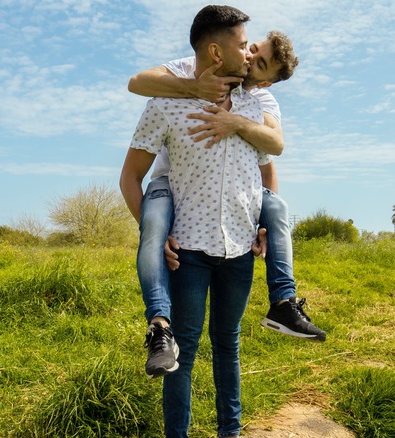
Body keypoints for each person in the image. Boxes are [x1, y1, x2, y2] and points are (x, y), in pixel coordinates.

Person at [127, 24, 326, 378]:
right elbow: (137, 83)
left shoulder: (258, 103)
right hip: (171, 185)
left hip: (230, 231)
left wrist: (233, 123)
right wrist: (194, 87)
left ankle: (283, 302)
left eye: (260, 61)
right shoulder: (190, 69)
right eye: (252, 48)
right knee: (154, 226)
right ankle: (158, 325)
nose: (249, 57)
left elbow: (272, 150)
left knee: (277, 208)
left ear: (265, 82)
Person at [120, 5, 266, 436]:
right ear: (217, 53)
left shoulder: (253, 104)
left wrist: (262, 220)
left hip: (239, 247)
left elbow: (265, 164)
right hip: (189, 250)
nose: (250, 52)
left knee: (229, 345)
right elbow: (130, 176)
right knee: (180, 352)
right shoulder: (165, 105)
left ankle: (230, 433)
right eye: (243, 46)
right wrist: (152, 230)